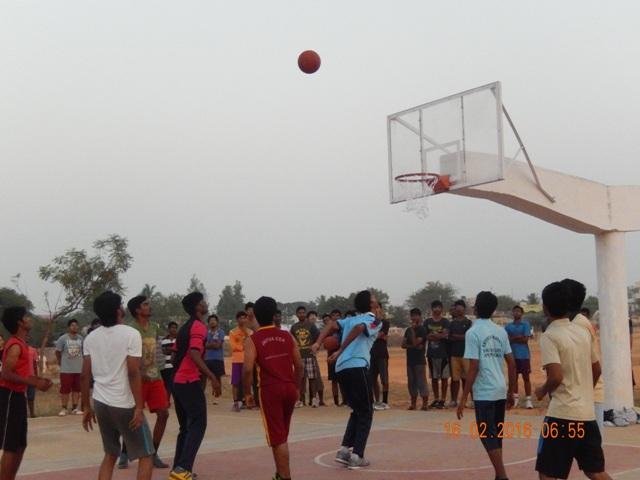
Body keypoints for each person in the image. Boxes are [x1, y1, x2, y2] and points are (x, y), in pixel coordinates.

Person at [535, 282, 611, 480]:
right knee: (595, 471)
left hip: (561, 415)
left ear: (545, 307)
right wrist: (583, 393)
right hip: (586, 415)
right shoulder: (582, 331)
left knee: (547, 473)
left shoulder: (550, 336)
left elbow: (556, 376)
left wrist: (542, 390)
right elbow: (597, 369)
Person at [80, 292, 155, 480]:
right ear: (118, 310)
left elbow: (84, 375)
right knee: (146, 454)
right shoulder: (131, 334)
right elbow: (133, 372)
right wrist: (139, 407)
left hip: (101, 403)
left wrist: (87, 406)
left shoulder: (90, 338)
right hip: (124, 403)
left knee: (110, 453)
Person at [313, 290, 383, 470]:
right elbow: (359, 329)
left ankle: (344, 451)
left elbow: (331, 325)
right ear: (371, 304)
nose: (376, 299)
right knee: (366, 411)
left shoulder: (350, 319)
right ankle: (357, 455)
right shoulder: (374, 320)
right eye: (374, 298)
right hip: (356, 366)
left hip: (341, 368)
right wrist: (340, 350)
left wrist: (318, 342)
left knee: (357, 410)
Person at [457, 291, 516, 480]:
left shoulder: (472, 332)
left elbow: (473, 367)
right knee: (496, 434)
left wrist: (463, 398)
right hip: (500, 389)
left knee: (486, 434)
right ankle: (499, 475)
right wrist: (512, 392)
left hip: (484, 392)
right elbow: (512, 363)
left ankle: (502, 475)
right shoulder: (500, 331)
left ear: (475, 309)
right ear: (494, 310)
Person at [243, 296, 303, 480]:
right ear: (274, 314)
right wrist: (297, 388)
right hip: (289, 387)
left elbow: (247, 369)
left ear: (256, 316)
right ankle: (279, 473)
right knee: (282, 434)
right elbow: (299, 365)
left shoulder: (253, 340)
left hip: (270, 390)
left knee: (278, 438)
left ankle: (285, 476)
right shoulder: (287, 336)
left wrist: (247, 393)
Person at [170, 292, 221, 480]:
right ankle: (183, 469)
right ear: (198, 307)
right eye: (203, 302)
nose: (206, 303)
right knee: (199, 423)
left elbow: (174, 356)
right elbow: (193, 353)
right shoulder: (198, 326)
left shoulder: (185, 328)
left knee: (185, 427)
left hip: (177, 381)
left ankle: (178, 468)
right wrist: (212, 376)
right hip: (188, 380)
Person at [0, 307, 53, 480]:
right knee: (11, 445)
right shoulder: (15, 345)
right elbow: (6, 374)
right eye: (26, 316)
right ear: (20, 322)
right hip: (9, 396)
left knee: (20, 445)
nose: (29, 318)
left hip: (18, 396)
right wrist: (32, 382)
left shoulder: (22, 344)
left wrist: (38, 381)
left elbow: (21, 374)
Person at [118, 296, 170, 469]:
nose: (149, 307)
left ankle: (153, 452)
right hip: (137, 380)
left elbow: (156, 351)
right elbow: (126, 356)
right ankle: (125, 451)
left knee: (163, 414)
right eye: (146, 304)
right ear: (137, 310)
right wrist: (139, 372)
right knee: (134, 418)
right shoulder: (130, 330)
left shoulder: (154, 327)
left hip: (155, 378)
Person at [562, 279, 606, 433]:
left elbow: (596, 368)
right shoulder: (574, 322)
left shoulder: (578, 325)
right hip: (581, 397)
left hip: (586, 398)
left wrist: (584, 395)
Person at [290, 306, 322, 408]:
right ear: (297, 314)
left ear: (305, 314)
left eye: (303, 312)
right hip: (299, 356)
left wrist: (316, 347)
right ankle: (300, 400)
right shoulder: (294, 327)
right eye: (300, 313)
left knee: (312, 378)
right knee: (300, 379)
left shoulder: (311, 325)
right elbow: (291, 340)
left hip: (310, 355)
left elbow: (319, 337)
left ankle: (314, 399)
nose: (302, 314)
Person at [504, 305, 533, 409]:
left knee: (526, 378)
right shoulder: (508, 326)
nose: (516, 313)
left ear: (522, 313)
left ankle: (528, 400)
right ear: (512, 313)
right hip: (512, 356)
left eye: (518, 311)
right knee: (514, 378)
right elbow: (507, 340)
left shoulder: (526, 324)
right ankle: (515, 399)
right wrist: (519, 337)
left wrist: (513, 338)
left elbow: (525, 340)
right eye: (515, 311)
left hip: (524, 355)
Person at [424, 300, 450, 408]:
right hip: (431, 354)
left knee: (444, 378)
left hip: (443, 354)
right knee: (434, 378)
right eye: (435, 307)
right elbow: (426, 336)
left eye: (439, 307)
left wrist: (434, 335)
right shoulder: (427, 322)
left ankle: (443, 400)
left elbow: (445, 335)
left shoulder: (445, 322)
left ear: (442, 309)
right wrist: (438, 335)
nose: (437, 309)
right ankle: (436, 399)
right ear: (432, 309)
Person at [55, 318, 84, 416]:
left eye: (76, 325)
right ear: (69, 327)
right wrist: (60, 362)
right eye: (72, 325)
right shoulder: (63, 338)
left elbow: (83, 352)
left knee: (77, 389)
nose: (74, 327)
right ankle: (64, 408)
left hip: (78, 368)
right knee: (65, 390)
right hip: (66, 369)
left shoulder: (81, 338)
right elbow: (57, 352)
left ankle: (75, 408)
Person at [402, 308, 429, 411]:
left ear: (420, 317)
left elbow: (415, 342)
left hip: (419, 360)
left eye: (416, 315)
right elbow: (403, 345)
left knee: (421, 382)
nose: (413, 317)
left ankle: (425, 404)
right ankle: (413, 404)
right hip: (410, 360)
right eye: (412, 315)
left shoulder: (422, 330)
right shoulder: (408, 330)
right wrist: (413, 346)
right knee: (411, 383)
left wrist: (413, 331)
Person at [448, 299, 472, 408]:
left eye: (460, 307)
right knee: (455, 379)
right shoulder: (452, 323)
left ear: (464, 309)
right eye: (456, 307)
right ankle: (454, 400)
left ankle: (467, 400)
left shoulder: (469, 323)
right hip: (454, 354)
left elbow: (468, 337)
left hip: (466, 354)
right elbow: (450, 337)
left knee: (467, 378)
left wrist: (457, 336)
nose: (458, 310)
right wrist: (461, 337)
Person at [229, 311, 251, 412]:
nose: (242, 320)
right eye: (240, 318)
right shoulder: (233, 332)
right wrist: (243, 347)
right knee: (235, 382)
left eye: (244, 318)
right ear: (237, 320)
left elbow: (251, 345)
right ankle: (235, 402)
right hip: (237, 360)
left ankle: (247, 401)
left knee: (247, 382)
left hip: (247, 360)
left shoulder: (250, 332)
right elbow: (234, 347)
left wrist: (245, 333)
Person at [370, 306, 390, 411]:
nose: (375, 310)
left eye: (377, 308)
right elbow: (370, 334)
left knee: (384, 379)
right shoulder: (371, 323)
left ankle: (385, 402)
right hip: (371, 354)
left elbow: (377, 335)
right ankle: (376, 401)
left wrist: (375, 335)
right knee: (372, 379)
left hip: (382, 354)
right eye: (374, 308)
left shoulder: (385, 322)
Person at [204, 314, 226, 401]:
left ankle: (218, 396)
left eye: (214, 320)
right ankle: (211, 395)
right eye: (211, 320)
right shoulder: (205, 333)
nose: (212, 322)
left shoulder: (221, 332)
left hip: (218, 358)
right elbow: (204, 345)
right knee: (208, 378)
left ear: (217, 322)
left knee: (217, 377)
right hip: (207, 358)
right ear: (208, 322)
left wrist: (209, 344)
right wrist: (212, 344)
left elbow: (218, 345)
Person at [326, 309, 345, 406]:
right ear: (331, 317)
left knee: (343, 379)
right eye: (333, 315)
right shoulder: (328, 330)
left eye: (338, 315)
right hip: (331, 356)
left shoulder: (344, 328)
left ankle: (345, 400)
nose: (336, 317)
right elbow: (325, 343)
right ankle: (336, 401)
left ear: (341, 317)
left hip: (342, 356)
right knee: (334, 380)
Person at [161, 321, 178, 400]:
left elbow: (178, 350)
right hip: (166, 366)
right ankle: (166, 401)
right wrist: (173, 349)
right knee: (166, 385)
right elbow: (164, 351)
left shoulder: (179, 339)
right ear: (168, 329)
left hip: (175, 365)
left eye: (175, 328)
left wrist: (169, 349)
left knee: (173, 385)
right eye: (172, 327)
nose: (173, 329)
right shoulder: (164, 340)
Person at [26, 342, 39, 418]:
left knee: (31, 396)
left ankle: (32, 413)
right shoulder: (17, 349)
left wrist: (36, 376)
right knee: (21, 396)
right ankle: (23, 413)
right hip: (20, 377)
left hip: (31, 376)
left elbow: (34, 364)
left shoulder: (32, 350)